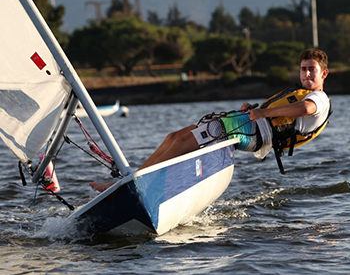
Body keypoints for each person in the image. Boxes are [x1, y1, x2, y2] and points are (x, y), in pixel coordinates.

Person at [90, 48, 331, 192]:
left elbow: (305, 109)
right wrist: (252, 109)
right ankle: (134, 177)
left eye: (312, 69)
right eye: (303, 69)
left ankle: (135, 183)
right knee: (173, 137)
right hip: (247, 124)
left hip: (254, 133)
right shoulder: (303, 92)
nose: (307, 73)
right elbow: (288, 108)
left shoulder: (319, 98)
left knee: (185, 142)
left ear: (323, 73)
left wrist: (263, 114)